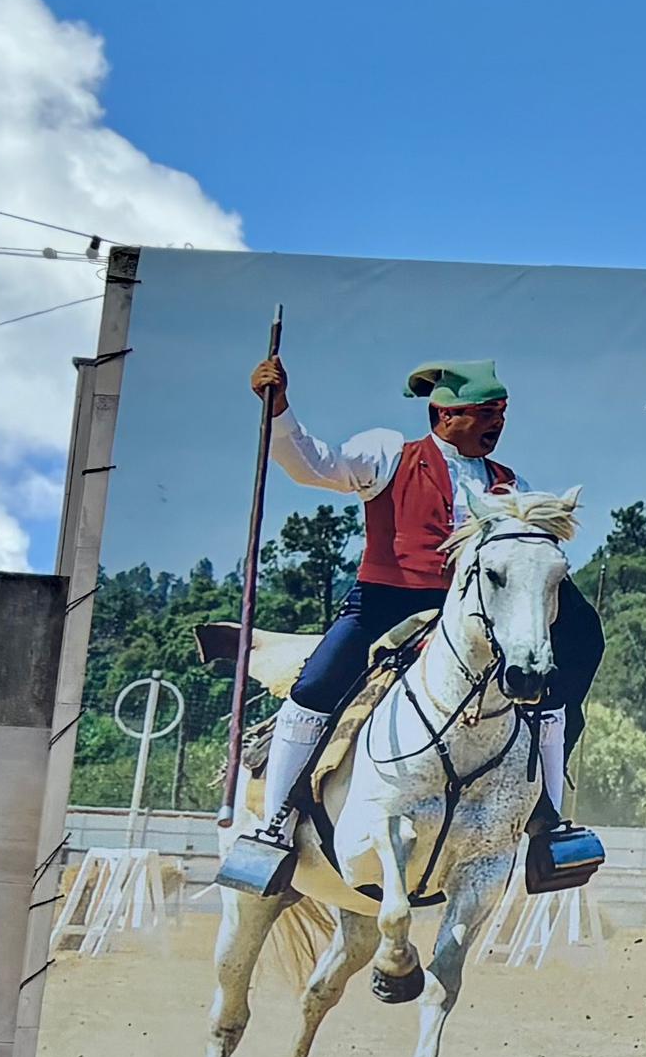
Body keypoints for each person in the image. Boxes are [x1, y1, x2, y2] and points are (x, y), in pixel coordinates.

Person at [225, 351, 604, 895]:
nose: (498, 424)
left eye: (502, 413)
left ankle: (549, 821)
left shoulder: (509, 483)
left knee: (555, 680)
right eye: (486, 412)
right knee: (312, 690)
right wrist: (280, 409)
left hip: (466, 615)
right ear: (446, 414)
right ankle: (275, 825)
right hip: (384, 603)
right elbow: (313, 465)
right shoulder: (388, 452)